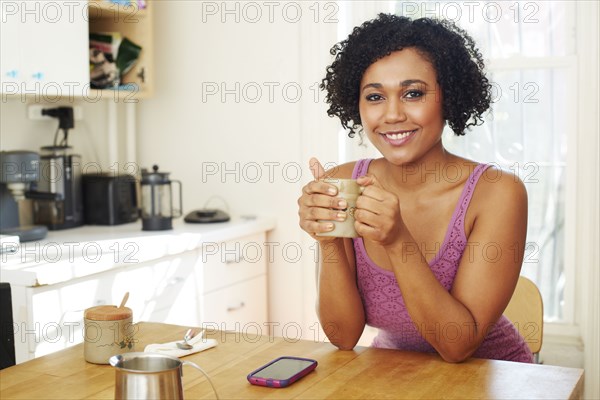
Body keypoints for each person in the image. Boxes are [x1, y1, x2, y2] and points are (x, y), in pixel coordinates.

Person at [297, 14, 533, 363]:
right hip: (396, 376)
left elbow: (458, 346)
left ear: (448, 97)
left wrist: (397, 241)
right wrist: (329, 240)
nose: (392, 115)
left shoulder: (497, 193)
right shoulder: (345, 185)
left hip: (493, 377)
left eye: (413, 93)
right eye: (375, 97)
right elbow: (343, 336)